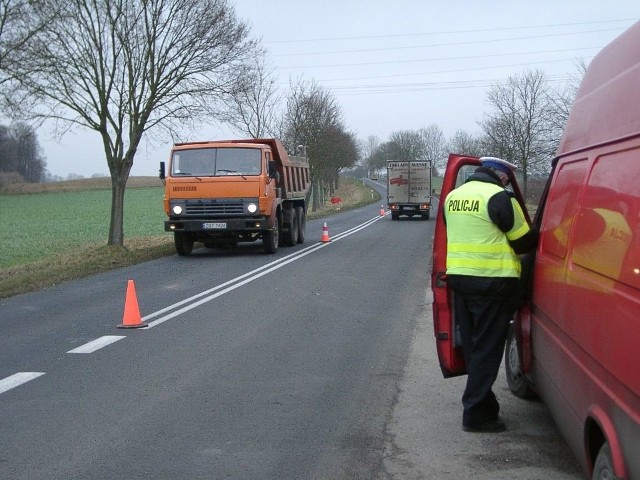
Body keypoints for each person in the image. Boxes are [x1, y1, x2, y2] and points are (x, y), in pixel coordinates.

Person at [444, 156, 537, 433]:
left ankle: (485, 404)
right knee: (487, 349)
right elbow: (525, 241)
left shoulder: (453, 197)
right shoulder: (500, 198)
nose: (508, 182)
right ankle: (475, 414)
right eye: (508, 177)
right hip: (493, 285)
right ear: (502, 175)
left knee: (474, 347)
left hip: (460, 281)